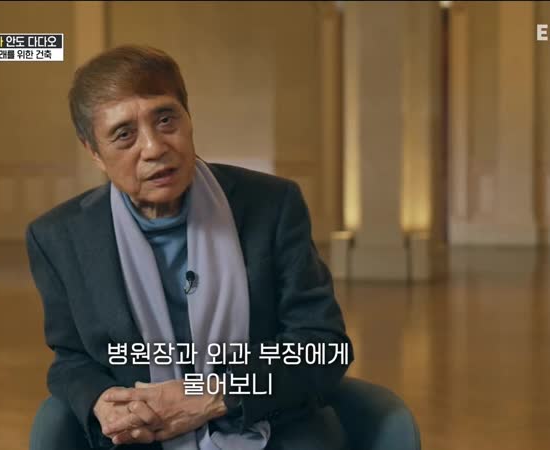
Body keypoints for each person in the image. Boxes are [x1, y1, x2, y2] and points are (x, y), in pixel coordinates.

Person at [26, 44, 353, 450]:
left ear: (188, 117)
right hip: (139, 437)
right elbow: (71, 359)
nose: (154, 147)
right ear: (94, 152)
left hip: (265, 425)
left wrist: (212, 395)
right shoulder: (59, 237)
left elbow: (322, 347)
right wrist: (101, 401)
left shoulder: (271, 206)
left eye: (166, 119)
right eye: (124, 135)